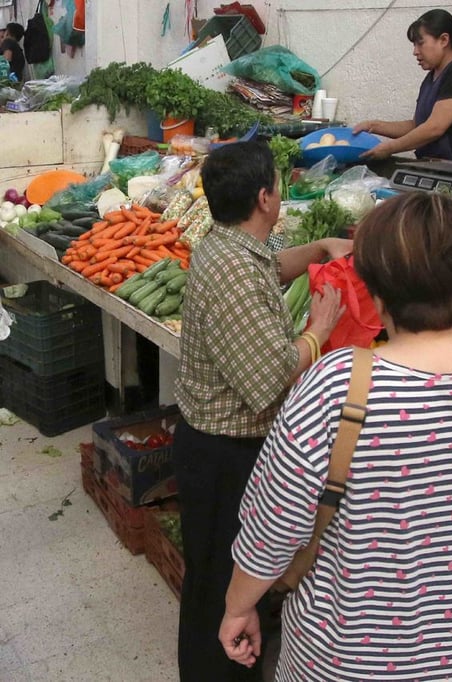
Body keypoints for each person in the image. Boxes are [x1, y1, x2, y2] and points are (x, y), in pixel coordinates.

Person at [218, 191, 452, 680]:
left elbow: (273, 528)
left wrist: (236, 607)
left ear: (374, 285)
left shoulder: (336, 384)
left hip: (346, 657)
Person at [173, 140, 350, 681]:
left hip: (218, 447)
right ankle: (218, 670)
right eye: (279, 186)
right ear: (266, 198)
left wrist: (319, 248)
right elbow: (270, 378)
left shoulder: (230, 246)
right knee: (224, 584)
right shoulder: (233, 272)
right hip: (226, 455)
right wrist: (319, 329)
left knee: (215, 575)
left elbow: (270, 270)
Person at [353, 9, 452, 165]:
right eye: (414, 45)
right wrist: (373, 126)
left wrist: (389, 148)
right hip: (438, 163)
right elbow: (417, 126)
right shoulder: (432, 77)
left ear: (443, 40)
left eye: (420, 43)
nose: (415, 52)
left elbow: (434, 128)